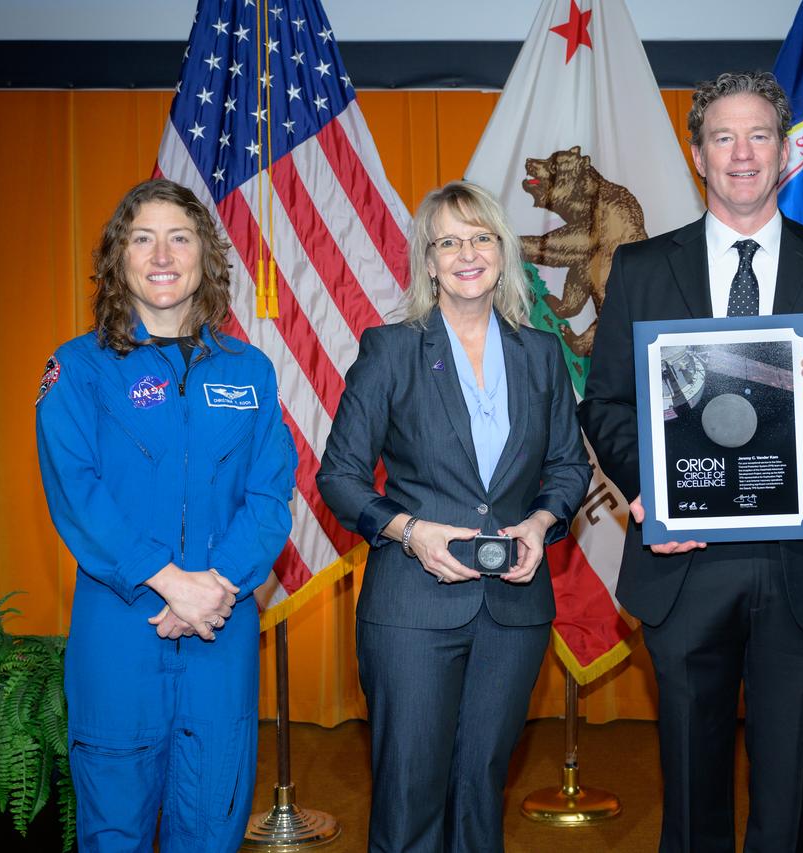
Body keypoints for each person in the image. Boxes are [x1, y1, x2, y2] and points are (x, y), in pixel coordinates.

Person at [578, 71, 803, 851]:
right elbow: (608, 405)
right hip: (686, 560)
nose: (741, 153)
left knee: (787, 791)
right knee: (692, 793)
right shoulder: (641, 268)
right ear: (698, 154)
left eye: (758, 134)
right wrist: (647, 490)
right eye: (723, 136)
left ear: (785, 151)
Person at [317, 181, 590, 853]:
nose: (467, 253)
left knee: (481, 789)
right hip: (412, 608)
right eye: (449, 241)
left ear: (502, 252)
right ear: (429, 262)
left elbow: (567, 467)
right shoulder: (390, 349)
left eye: (481, 237)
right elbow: (338, 477)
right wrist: (409, 531)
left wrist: (541, 522)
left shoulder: (542, 352)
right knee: (410, 795)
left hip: (515, 610)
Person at [35, 178, 297, 852]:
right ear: (118, 258)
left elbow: (270, 499)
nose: (161, 253)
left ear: (204, 257)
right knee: (114, 828)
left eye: (179, 237)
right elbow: (77, 493)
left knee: (212, 823)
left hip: (221, 624)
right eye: (142, 237)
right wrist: (166, 578)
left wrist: (212, 586)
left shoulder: (251, 371)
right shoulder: (78, 370)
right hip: (120, 627)